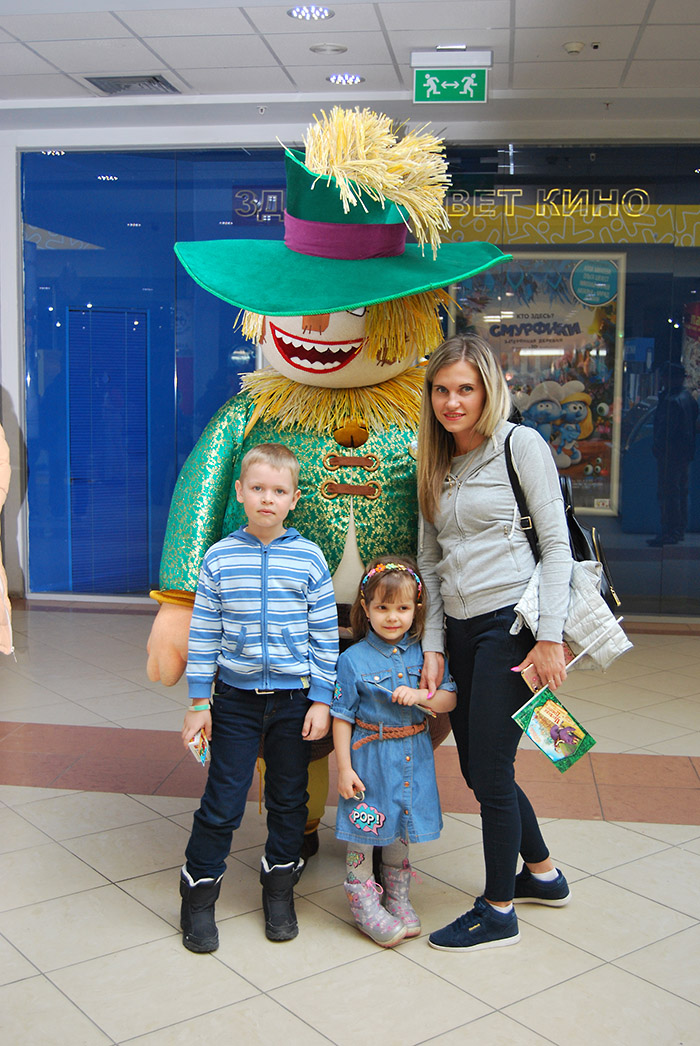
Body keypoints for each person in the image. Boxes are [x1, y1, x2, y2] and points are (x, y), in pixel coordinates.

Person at [417, 335, 573, 952]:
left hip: (511, 625)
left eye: (466, 389)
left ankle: (499, 909)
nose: (452, 402)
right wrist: (433, 644)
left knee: (488, 767)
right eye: (441, 390)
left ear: (489, 390)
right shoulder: (434, 461)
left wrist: (550, 637)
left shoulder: (519, 444)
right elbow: (428, 562)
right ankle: (543, 875)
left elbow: (556, 547)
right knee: (480, 765)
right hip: (458, 629)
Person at [179, 443, 338, 952]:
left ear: (294, 498)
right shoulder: (220, 557)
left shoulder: (310, 557)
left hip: (295, 702)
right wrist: (199, 702)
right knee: (223, 801)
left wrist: (322, 698)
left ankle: (279, 890)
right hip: (235, 702)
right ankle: (198, 895)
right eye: (258, 488)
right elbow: (204, 633)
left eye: (279, 491)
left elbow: (325, 635)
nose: (268, 499)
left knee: (290, 800)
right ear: (240, 493)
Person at [331, 557, 456, 947]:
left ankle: (397, 895)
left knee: (401, 822)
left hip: (412, 756)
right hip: (369, 759)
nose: (392, 617)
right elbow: (341, 716)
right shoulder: (352, 660)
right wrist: (344, 769)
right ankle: (362, 900)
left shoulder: (425, 655)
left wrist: (421, 695)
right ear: (365, 608)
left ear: (417, 609)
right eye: (382, 607)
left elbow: (449, 699)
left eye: (402, 608)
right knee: (364, 826)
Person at [647, 362, 699, 547]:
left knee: (668, 493)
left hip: (670, 454)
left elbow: (666, 429)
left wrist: (659, 446)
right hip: (683, 454)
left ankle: (670, 531)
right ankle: (679, 530)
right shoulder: (688, 398)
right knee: (680, 492)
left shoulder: (671, 400)